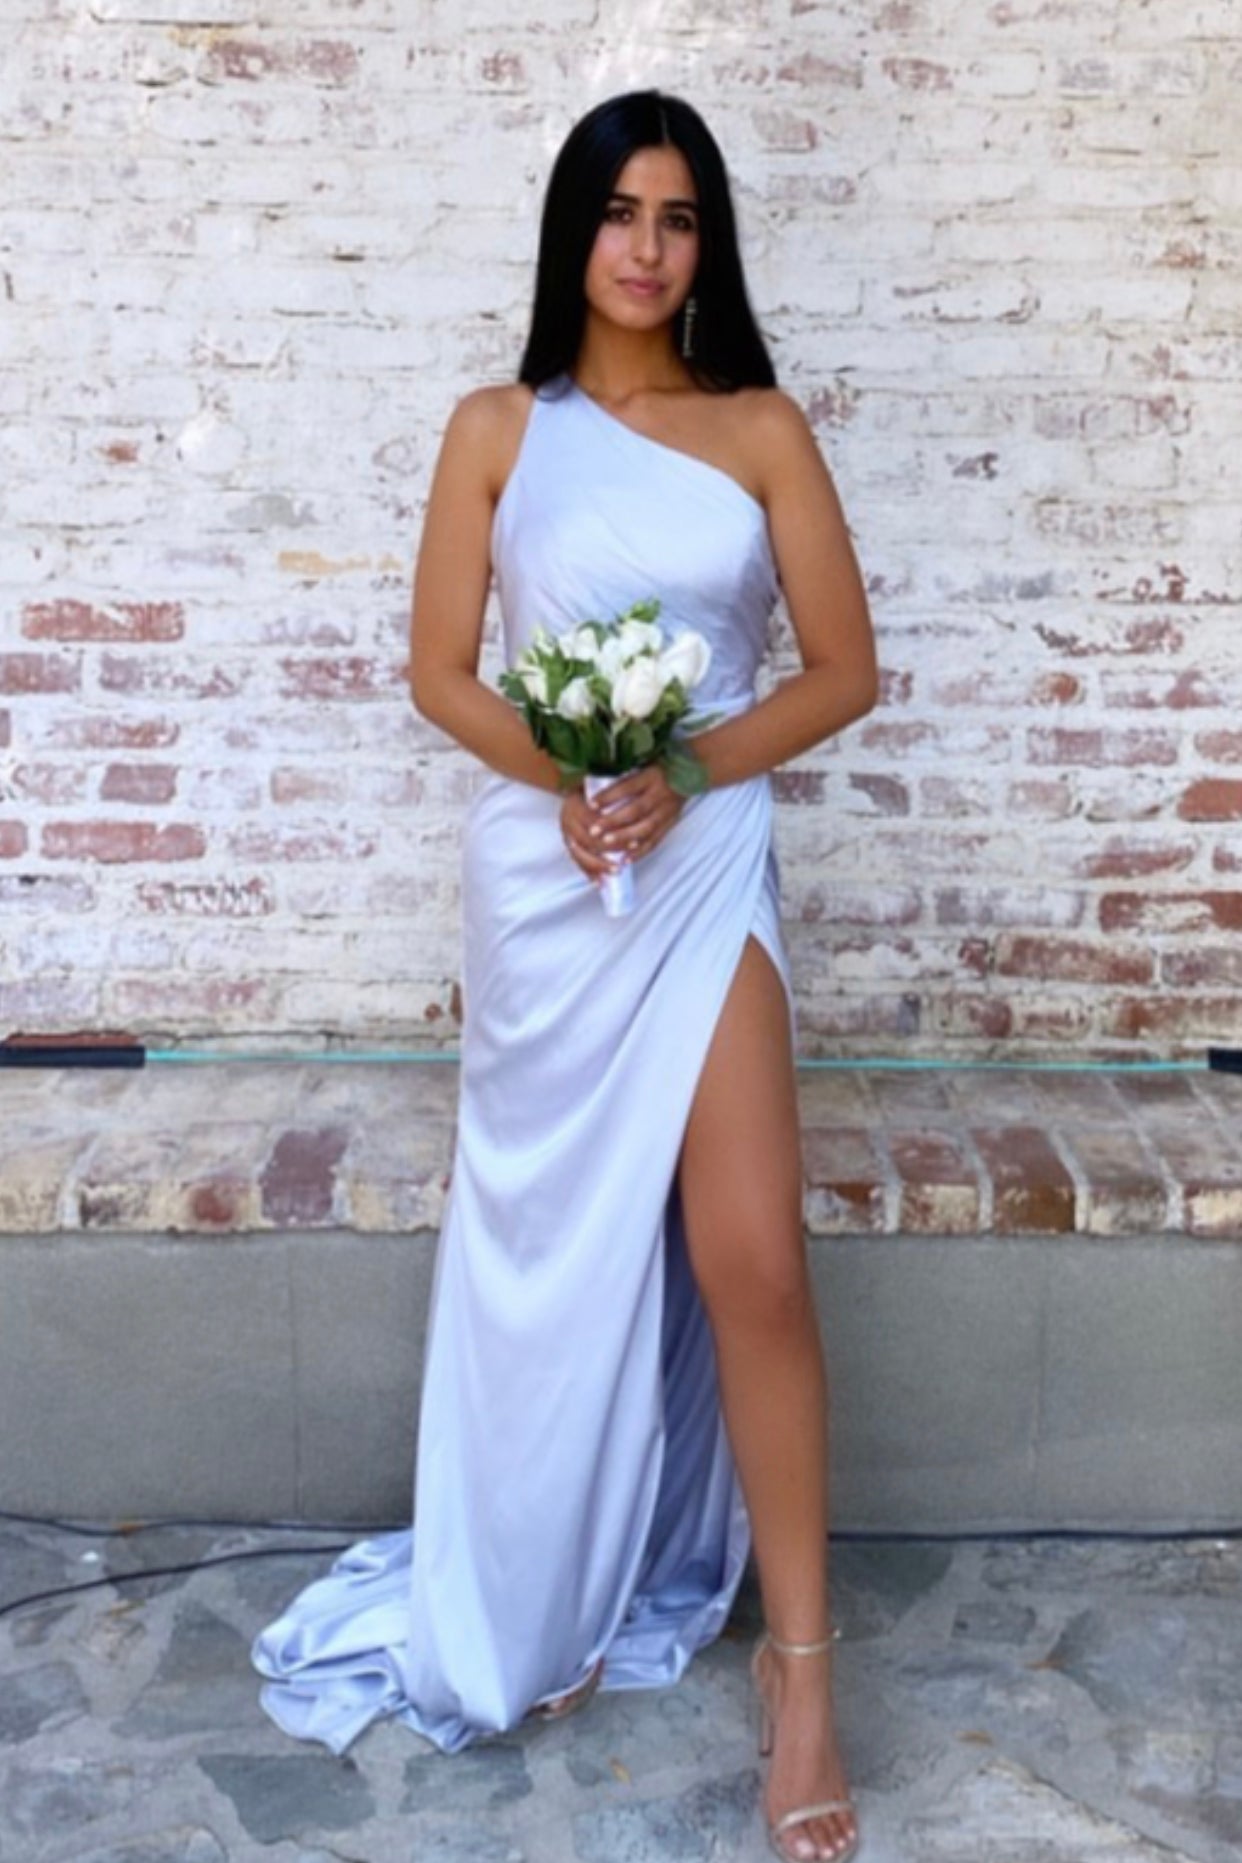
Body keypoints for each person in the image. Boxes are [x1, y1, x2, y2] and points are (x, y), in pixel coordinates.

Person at [251, 89, 877, 1863]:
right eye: (616, 212)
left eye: (677, 218)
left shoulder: (759, 429)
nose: (644, 248)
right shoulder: (493, 430)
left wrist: (676, 772)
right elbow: (440, 670)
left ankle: (802, 1676)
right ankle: (542, 1573)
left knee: (751, 1260)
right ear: (571, 231)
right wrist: (577, 777)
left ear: (707, 246)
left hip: (701, 864)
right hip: (546, 883)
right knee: (545, 1256)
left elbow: (842, 671)